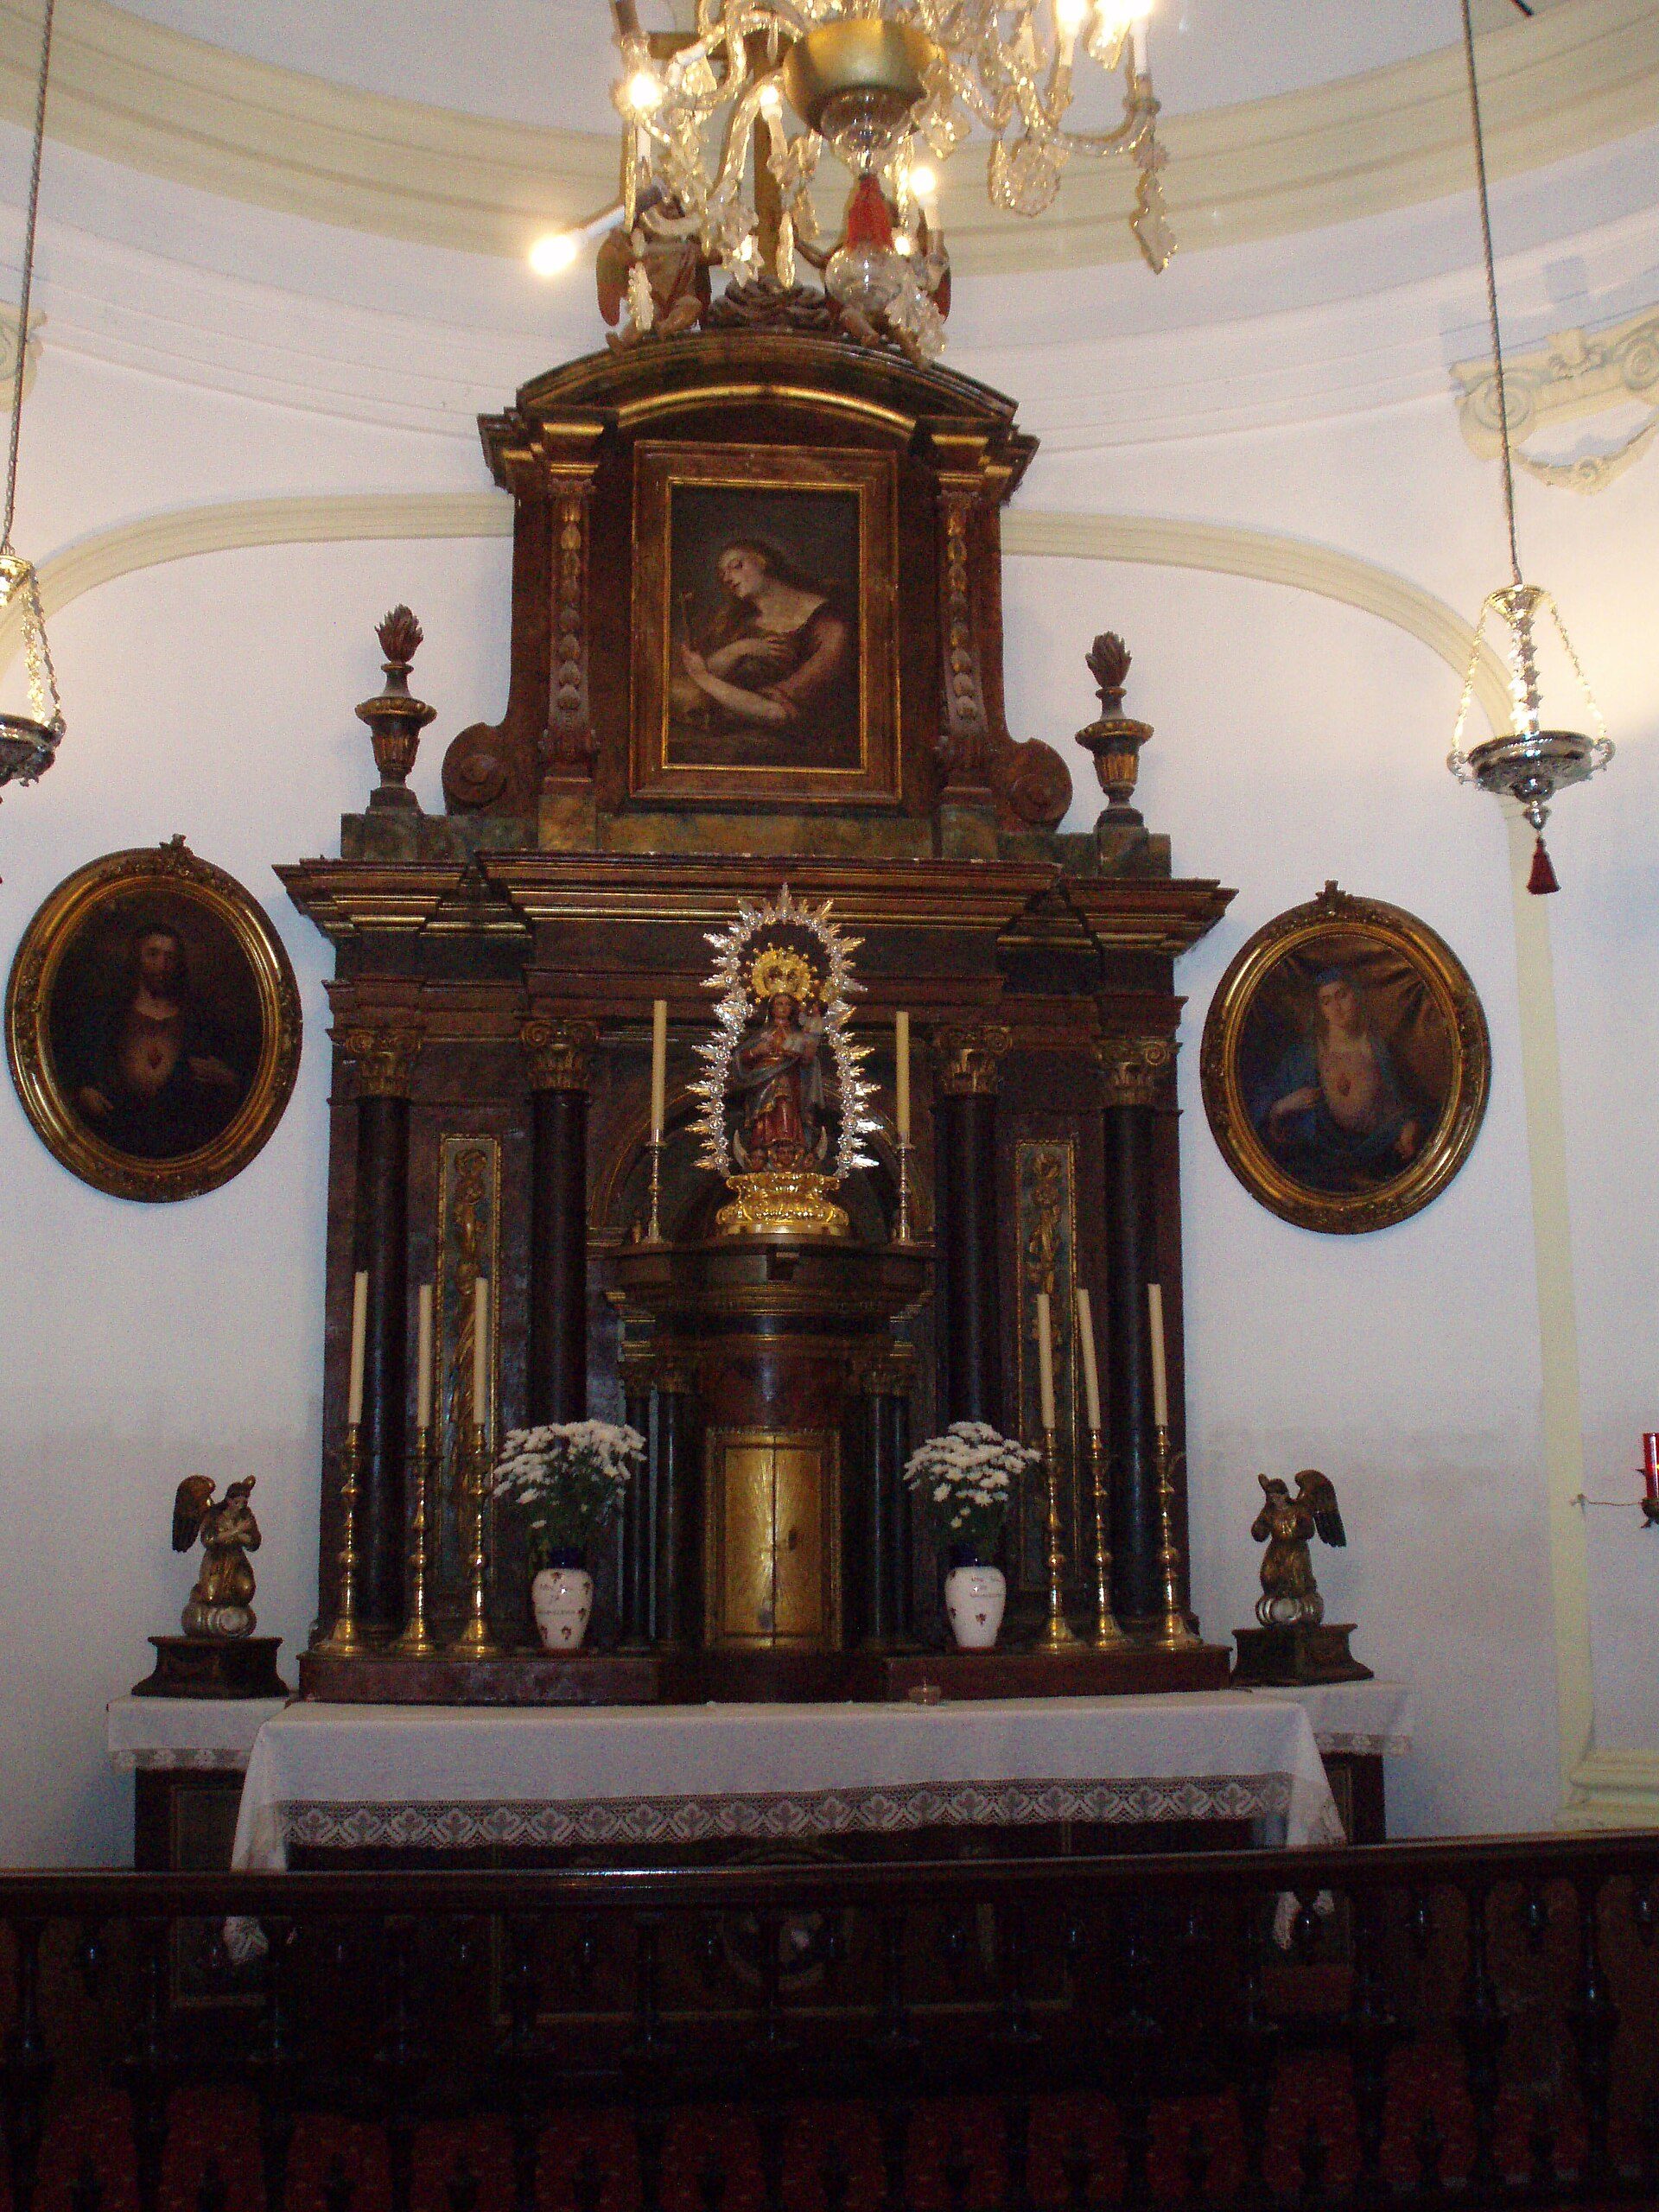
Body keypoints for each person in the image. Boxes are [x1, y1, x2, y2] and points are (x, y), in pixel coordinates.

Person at [72, 921, 245, 1157]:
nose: (162, 966)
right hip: (116, 1134)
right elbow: (78, 1070)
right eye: (153, 954)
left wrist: (227, 1078)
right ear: (137, 958)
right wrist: (84, 1092)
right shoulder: (108, 1016)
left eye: (170, 957)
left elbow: (235, 1078)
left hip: (183, 1140)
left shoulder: (200, 1020)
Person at [1252, 967, 1424, 1192]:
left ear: (1356, 996)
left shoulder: (1379, 1051)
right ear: (1320, 1009)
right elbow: (1267, 1122)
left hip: (1376, 1157)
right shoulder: (1301, 1057)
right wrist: (1285, 1105)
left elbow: (1401, 1107)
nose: (1336, 1007)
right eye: (1326, 1001)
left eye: (1342, 995)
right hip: (1318, 1166)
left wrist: (1408, 1128)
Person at [674, 539, 855, 749]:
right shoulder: (742, 624)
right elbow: (701, 678)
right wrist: (740, 649)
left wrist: (703, 678)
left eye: (736, 566)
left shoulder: (830, 625)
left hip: (797, 747)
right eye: (722, 574)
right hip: (734, 733)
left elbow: (777, 714)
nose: (727, 578)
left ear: (763, 562)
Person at [731, 991, 827, 1172]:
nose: (783, 1008)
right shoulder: (763, 1034)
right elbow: (740, 1059)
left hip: (791, 1083)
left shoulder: (798, 1035)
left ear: (793, 1009)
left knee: (786, 1107)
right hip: (763, 1082)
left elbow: (807, 1061)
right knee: (766, 1114)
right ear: (771, 1008)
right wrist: (757, 1051)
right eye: (779, 1004)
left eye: (787, 1004)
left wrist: (811, 1040)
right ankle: (762, 1148)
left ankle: (789, 1144)